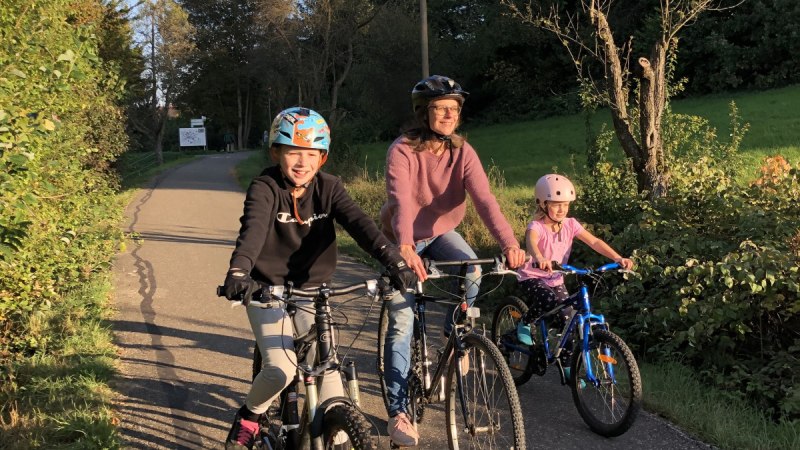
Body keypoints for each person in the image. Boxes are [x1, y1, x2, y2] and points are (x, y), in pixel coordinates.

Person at [220, 107, 416, 449]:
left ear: (321, 157)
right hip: (267, 291)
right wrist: (239, 271)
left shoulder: (330, 187)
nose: (301, 162)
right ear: (276, 153)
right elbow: (252, 231)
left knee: (334, 398)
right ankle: (250, 416)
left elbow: (361, 225)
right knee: (280, 369)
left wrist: (395, 261)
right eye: (293, 152)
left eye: (311, 154)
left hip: (314, 293)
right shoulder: (265, 187)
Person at [379, 75, 526, 447]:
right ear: (422, 113)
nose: (448, 115)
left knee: (472, 269)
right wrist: (406, 247)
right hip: (403, 235)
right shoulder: (403, 150)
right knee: (400, 320)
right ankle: (398, 413)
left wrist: (510, 243)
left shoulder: (463, 152)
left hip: (443, 232)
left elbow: (485, 200)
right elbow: (403, 201)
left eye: (454, 109)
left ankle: (453, 331)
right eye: (440, 108)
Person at [515, 174, 634, 377]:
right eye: (556, 204)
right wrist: (540, 257)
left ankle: (568, 365)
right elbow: (531, 243)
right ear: (542, 204)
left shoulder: (570, 224)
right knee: (546, 299)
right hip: (533, 275)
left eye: (566, 205)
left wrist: (618, 257)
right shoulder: (536, 226)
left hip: (556, 277)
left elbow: (594, 242)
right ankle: (525, 322)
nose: (562, 209)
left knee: (568, 320)